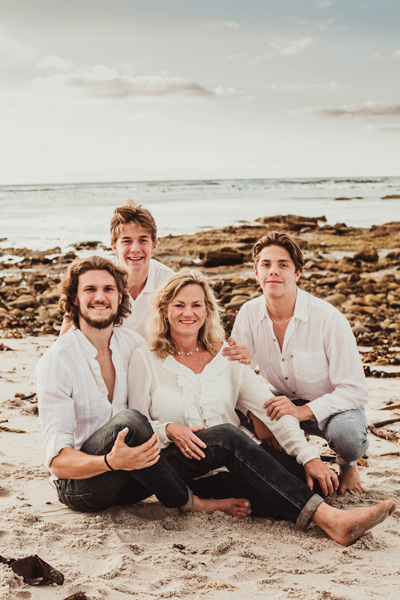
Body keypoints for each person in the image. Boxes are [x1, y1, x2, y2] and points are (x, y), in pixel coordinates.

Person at [127, 268, 395, 545]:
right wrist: (169, 429)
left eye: (196, 305)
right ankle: (331, 520)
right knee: (229, 437)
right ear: (164, 310)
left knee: (306, 479)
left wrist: (309, 457)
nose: (188, 313)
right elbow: (135, 424)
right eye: (179, 305)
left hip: (230, 465)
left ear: (207, 311)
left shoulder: (227, 355)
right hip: (178, 465)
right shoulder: (144, 358)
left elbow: (272, 409)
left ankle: (218, 502)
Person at [36, 256, 248, 517]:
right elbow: (58, 463)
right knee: (132, 420)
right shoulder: (56, 361)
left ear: (120, 297)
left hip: (136, 474)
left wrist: (222, 350)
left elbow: (181, 360)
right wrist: (110, 462)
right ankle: (192, 503)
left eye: (108, 289)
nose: (100, 297)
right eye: (90, 289)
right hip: (84, 486)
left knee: (222, 437)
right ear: (75, 299)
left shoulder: (133, 345)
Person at [232, 231, 369, 494]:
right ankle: (290, 458)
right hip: (284, 400)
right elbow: (239, 377)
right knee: (230, 412)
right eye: (266, 264)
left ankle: (348, 464)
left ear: (297, 273)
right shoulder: (248, 313)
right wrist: (256, 416)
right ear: (255, 272)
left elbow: (355, 391)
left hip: (332, 408)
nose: (274, 271)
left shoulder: (328, 318)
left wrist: (300, 412)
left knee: (348, 437)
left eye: (283, 265)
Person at [60, 200, 248, 362]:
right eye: (126, 241)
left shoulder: (169, 281)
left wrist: (227, 350)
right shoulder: (99, 282)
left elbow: (195, 323)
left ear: (155, 244)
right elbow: (70, 326)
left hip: (153, 366)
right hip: (106, 363)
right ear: (114, 246)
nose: (135, 249)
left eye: (143, 240)